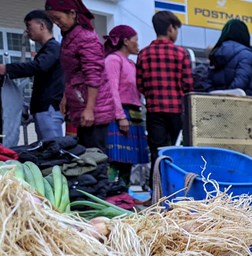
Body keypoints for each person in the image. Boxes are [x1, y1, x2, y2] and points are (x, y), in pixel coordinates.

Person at [45, 0, 115, 151]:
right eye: (52, 19)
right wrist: (66, 97)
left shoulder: (85, 37)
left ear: (72, 13)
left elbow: (93, 74)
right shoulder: (70, 37)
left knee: (95, 157)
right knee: (84, 157)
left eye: (58, 18)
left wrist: (90, 108)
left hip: (94, 109)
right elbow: (72, 73)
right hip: (80, 104)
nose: (56, 23)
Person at [137, 11, 193, 187]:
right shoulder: (180, 53)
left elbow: (140, 85)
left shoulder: (144, 54)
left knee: (156, 152)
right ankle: (177, 188)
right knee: (178, 152)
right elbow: (188, 85)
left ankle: (157, 191)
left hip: (154, 111)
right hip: (176, 110)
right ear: (171, 28)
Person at [0, 10, 64, 140]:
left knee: (53, 149)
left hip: (48, 108)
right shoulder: (47, 50)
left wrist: (6, 68)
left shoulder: (53, 47)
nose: (27, 30)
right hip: (43, 108)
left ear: (42, 26)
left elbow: (38, 66)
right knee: (47, 149)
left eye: (29, 26)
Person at [103, 25, 148, 184]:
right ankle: (110, 194)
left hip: (134, 114)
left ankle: (124, 195)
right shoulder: (113, 60)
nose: (138, 44)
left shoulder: (130, 64)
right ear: (126, 41)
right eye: (136, 40)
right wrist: (120, 116)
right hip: (120, 114)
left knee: (129, 159)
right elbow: (111, 90)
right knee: (116, 159)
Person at [209, 20, 252, 122]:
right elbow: (241, 82)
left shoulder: (215, 54)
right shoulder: (246, 54)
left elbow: (208, 82)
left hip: (218, 113)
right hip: (245, 112)